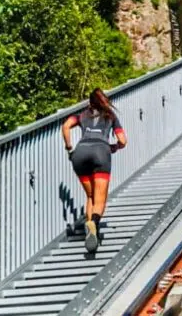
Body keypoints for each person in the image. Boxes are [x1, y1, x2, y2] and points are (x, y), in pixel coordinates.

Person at [62, 88, 127, 253]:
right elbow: (123, 140)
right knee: (100, 198)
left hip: (80, 153)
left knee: (90, 196)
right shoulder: (110, 116)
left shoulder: (82, 115)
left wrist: (69, 147)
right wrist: (115, 147)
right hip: (100, 152)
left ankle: (89, 231)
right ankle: (94, 224)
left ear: (90, 103)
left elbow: (66, 126)